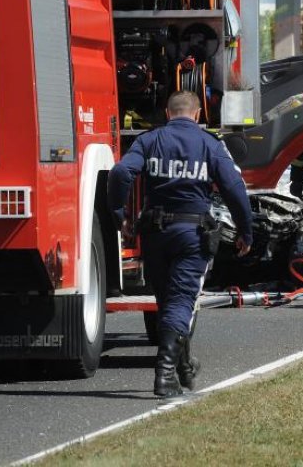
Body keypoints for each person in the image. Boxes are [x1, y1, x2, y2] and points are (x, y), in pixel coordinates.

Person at [107, 91, 253, 398]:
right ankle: (164, 374)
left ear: (167, 112)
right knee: (182, 301)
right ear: (198, 115)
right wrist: (245, 231)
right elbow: (234, 188)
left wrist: (118, 213)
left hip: (154, 235)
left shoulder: (149, 140)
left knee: (168, 302)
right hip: (191, 234)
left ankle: (184, 367)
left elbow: (121, 172)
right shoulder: (210, 145)